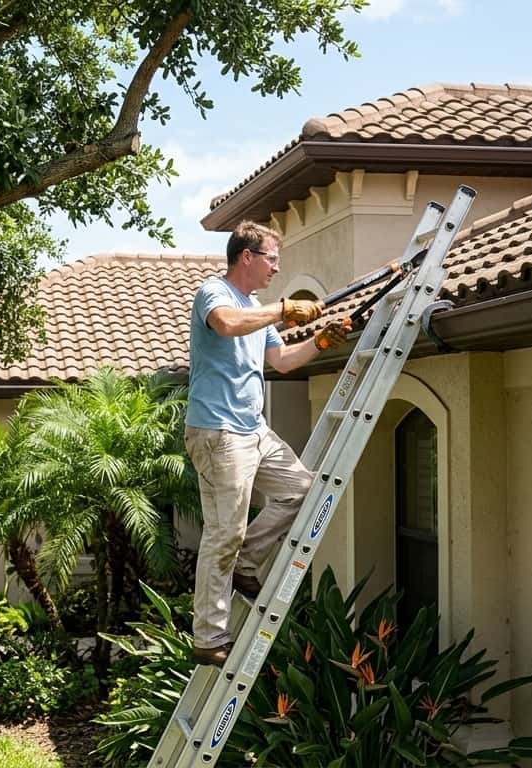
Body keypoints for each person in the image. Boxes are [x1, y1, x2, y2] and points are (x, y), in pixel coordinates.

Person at [185, 221, 348, 666]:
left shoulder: (256, 306)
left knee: (303, 491)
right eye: (272, 258)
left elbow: (282, 360)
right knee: (224, 532)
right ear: (246, 257)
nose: (277, 267)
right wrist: (282, 309)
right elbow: (225, 325)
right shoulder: (214, 294)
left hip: (252, 429)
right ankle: (209, 636)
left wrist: (321, 340)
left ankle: (246, 562)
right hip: (218, 431)